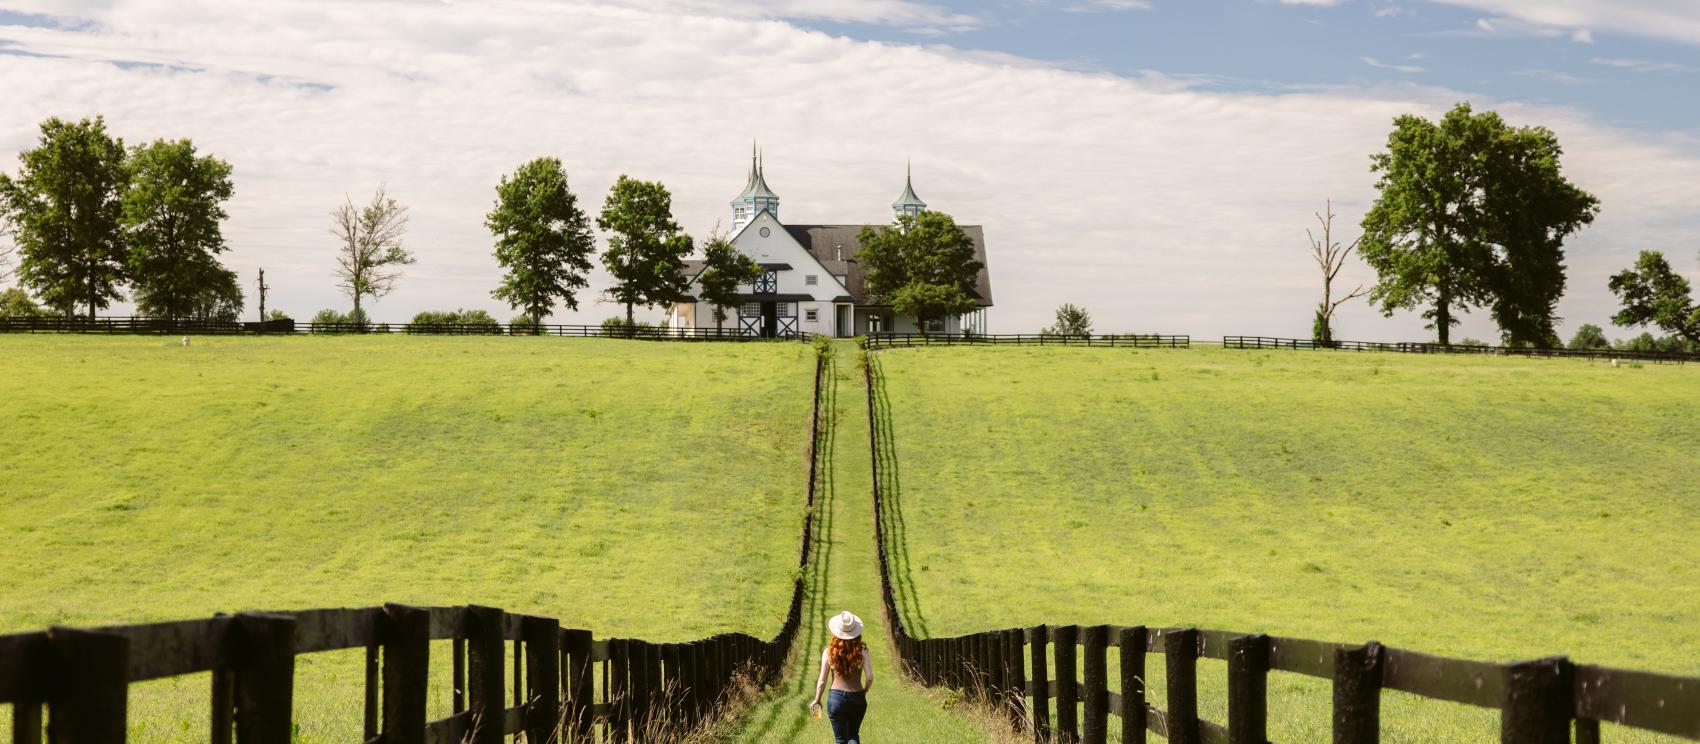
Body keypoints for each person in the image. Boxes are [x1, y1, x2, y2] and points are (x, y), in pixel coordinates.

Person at [809, 610, 873, 743]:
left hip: (835, 700)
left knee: (840, 740)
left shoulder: (829, 652)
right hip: (857, 697)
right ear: (856, 632)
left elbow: (822, 680)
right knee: (853, 735)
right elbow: (870, 677)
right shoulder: (863, 652)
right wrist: (864, 691)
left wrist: (817, 699)